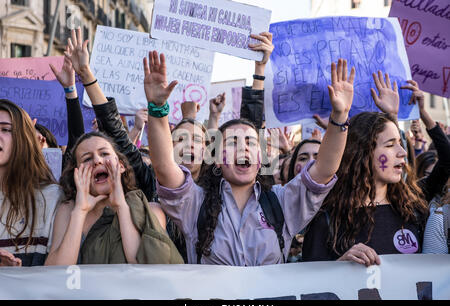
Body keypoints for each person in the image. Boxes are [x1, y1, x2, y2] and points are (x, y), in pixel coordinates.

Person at [145, 52, 354, 265]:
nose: (243, 147)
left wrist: (340, 117)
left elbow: (324, 170)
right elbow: (163, 167)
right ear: (217, 159)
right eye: (233, 142)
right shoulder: (196, 204)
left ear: (260, 158)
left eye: (251, 143)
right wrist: (157, 108)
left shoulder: (282, 202)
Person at [302, 73, 434, 266]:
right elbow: (307, 288)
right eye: (390, 145)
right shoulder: (328, 220)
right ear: (362, 153)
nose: (402, 152)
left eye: (400, 143)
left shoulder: (413, 211)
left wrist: (394, 116)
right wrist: (340, 266)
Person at [45, 132, 183, 265]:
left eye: (104, 154)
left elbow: (139, 262)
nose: (97, 161)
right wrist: (80, 211)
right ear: (76, 173)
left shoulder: (150, 210)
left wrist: (121, 206)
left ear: (121, 166)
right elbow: (56, 270)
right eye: (87, 159)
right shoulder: (69, 210)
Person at [0, 99, 63, 267]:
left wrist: (16, 275)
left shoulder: (51, 197)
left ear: (23, 139)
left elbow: (59, 278)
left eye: (5, 129)